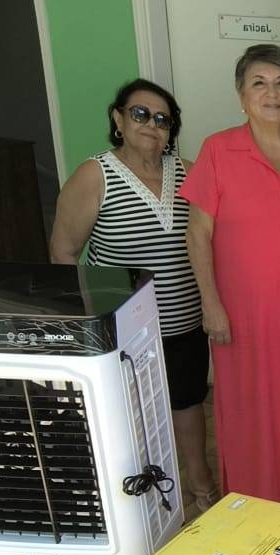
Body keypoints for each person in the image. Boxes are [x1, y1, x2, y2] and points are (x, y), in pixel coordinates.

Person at [50, 78, 217, 514]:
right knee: (133, 421)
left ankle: (201, 490)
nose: (151, 125)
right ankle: (142, 505)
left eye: (163, 119)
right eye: (140, 114)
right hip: (125, 332)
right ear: (118, 119)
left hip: (184, 322)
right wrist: (87, 322)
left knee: (188, 406)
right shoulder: (96, 174)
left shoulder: (189, 171)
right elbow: (64, 251)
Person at [181, 44, 280, 507]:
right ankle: (248, 511)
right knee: (247, 413)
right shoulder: (218, 150)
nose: (272, 93)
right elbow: (198, 233)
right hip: (240, 316)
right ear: (242, 95)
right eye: (259, 83)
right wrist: (211, 304)